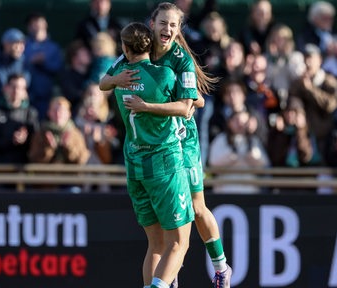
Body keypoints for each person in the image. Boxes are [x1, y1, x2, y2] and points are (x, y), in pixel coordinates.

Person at [100, 3, 232, 287]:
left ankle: (221, 268)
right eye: (163, 23)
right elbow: (104, 81)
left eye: (174, 25)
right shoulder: (138, 49)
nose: (168, 29)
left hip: (183, 140)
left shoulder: (180, 59)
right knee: (165, 235)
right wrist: (116, 80)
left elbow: (195, 102)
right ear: (153, 23)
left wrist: (155, 101)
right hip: (157, 145)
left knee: (196, 209)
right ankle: (168, 280)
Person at [100, 22, 194, 288]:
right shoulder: (165, 75)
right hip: (164, 163)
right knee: (179, 242)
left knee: (156, 244)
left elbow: (102, 83)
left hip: (135, 164)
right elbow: (189, 105)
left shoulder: (119, 74)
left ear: (125, 49)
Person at [208, 110, 270, 194]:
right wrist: (230, 158)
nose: (240, 125)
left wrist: (253, 159)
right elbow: (213, 163)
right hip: (225, 190)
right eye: (237, 121)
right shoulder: (221, 139)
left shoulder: (253, 140)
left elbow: (264, 164)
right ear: (230, 122)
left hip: (250, 190)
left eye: (244, 122)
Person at [0, 73, 39, 164]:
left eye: (20, 88)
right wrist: (10, 140)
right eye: (13, 86)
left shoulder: (31, 114)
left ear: (25, 92)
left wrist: (25, 139)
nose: (16, 91)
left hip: (22, 166)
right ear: (5, 88)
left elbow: (36, 141)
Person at [23, 12, 63, 118]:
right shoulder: (23, 45)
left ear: (45, 24)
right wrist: (31, 61)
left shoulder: (53, 47)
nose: (36, 26)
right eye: (33, 23)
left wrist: (43, 62)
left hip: (45, 96)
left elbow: (58, 68)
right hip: (25, 96)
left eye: (39, 22)